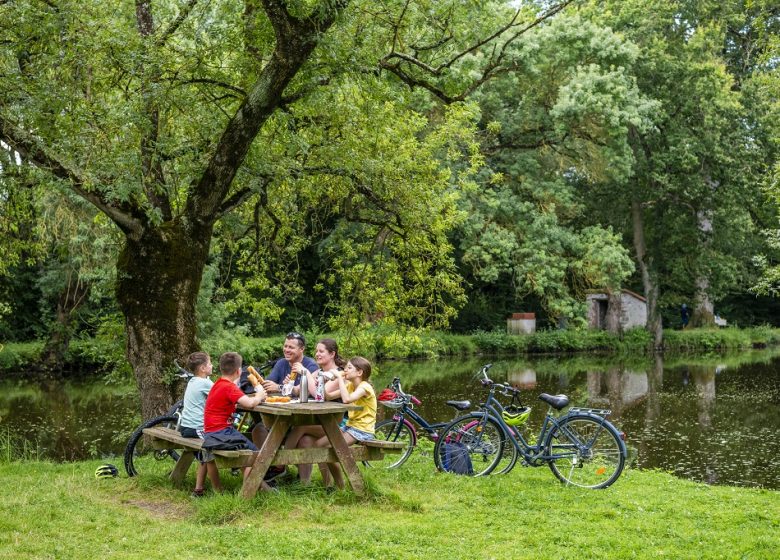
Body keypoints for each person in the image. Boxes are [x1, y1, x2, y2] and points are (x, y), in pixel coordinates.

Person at [202, 352, 271, 487]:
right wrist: (260, 395)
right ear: (239, 371)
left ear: (221, 368)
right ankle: (248, 491)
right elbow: (249, 403)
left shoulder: (217, 384)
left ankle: (218, 491)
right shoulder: (229, 387)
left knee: (240, 451)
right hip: (222, 433)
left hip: (210, 433)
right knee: (256, 454)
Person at [283, 338, 346, 484]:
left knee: (301, 427)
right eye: (316, 351)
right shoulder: (318, 372)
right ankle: (312, 484)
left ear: (332, 354)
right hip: (320, 424)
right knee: (305, 441)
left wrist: (305, 372)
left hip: (338, 425)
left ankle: (280, 465)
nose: (317, 354)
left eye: (321, 351)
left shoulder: (339, 374)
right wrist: (289, 385)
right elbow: (299, 390)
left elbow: (320, 395)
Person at [313, 356, 376, 490]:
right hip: (350, 426)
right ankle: (328, 484)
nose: (345, 370)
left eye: (349, 368)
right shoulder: (350, 385)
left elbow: (347, 400)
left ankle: (341, 486)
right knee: (318, 445)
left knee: (331, 450)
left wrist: (341, 379)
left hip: (362, 430)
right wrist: (325, 380)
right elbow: (328, 396)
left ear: (359, 372)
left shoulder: (365, 387)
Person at [178, 351, 221, 497]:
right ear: (203, 368)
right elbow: (223, 395)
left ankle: (198, 489)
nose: (212, 365)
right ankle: (219, 492)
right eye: (209, 363)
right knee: (209, 453)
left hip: (186, 427)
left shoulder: (193, 380)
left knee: (203, 455)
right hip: (196, 428)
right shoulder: (205, 382)